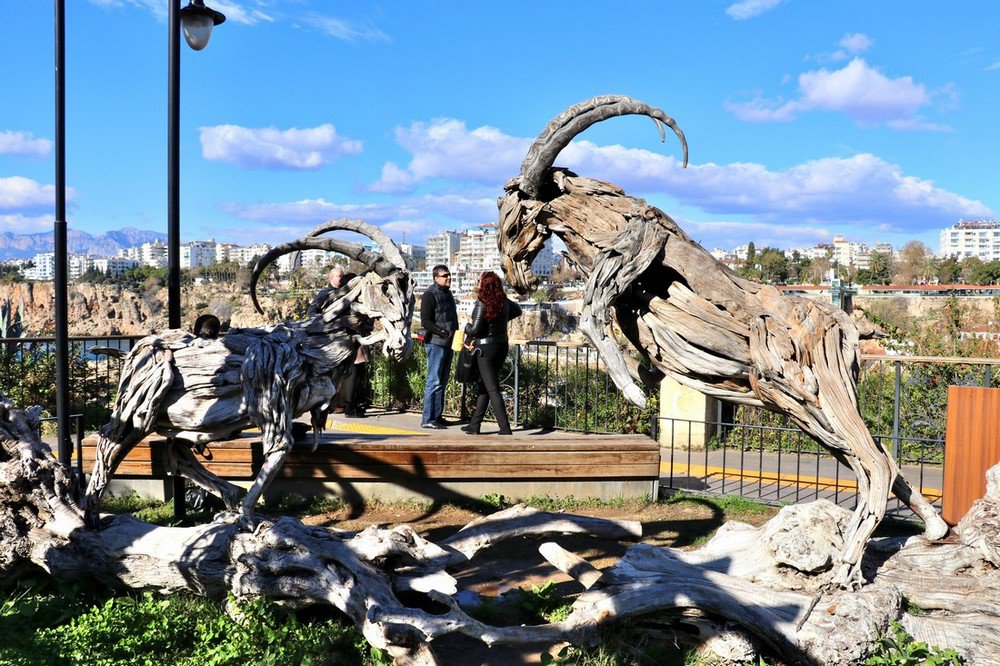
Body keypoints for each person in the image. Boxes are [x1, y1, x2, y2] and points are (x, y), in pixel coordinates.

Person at [461, 272, 522, 435]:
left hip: (485, 350)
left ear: (484, 285)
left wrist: (466, 326)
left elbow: (475, 330)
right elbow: (518, 310)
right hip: (501, 346)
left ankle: (505, 428)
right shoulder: (504, 302)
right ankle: (474, 425)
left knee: (493, 389)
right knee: (486, 386)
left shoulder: (481, 304)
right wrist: (501, 319)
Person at [420, 264, 458, 429]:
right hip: (436, 343)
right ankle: (428, 419)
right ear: (436, 278)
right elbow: (425, 321)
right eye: (445, 275)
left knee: (442, 381)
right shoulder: (430, 294)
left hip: (448, 343)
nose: (448, 278)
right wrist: (442, 333)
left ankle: (437, 416)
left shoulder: (447, 293)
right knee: (434, 381)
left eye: (449, 275)